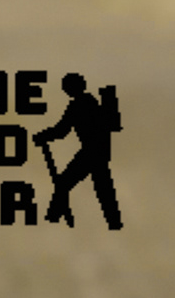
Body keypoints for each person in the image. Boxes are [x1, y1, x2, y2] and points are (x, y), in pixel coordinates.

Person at [38, 71, 123, 230]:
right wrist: (46, 136)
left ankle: (52, 218)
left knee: (65, 183)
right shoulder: (91, 102)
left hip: (91, 151)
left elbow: (62, 130)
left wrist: (44, 136)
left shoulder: (79, 105)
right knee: (103, 187)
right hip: (99, 151)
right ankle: (114, 222)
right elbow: (62, 130)